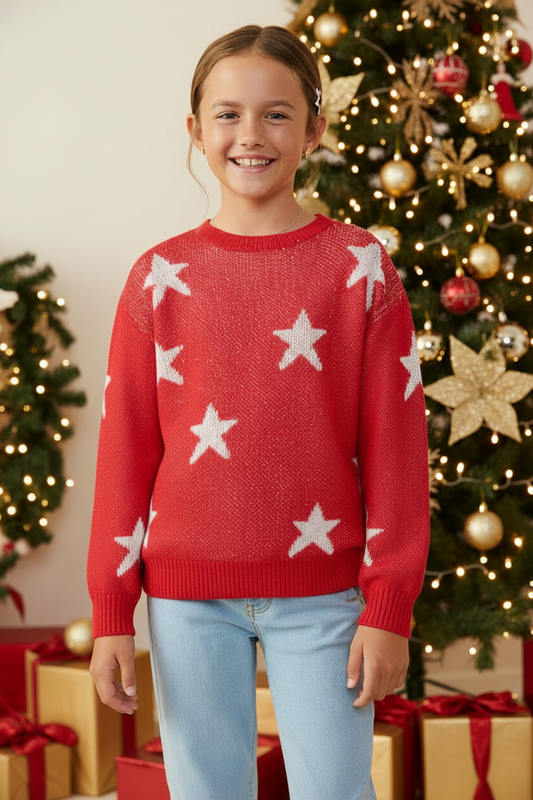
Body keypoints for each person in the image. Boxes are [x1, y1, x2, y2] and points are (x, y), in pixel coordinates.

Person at [87, 24, 430, 800]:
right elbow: (126, 452)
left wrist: (388, 606)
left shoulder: (360, 269)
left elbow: (396, 450)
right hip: (184, 600)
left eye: (276, 114)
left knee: (334, 790)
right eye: (228, 114)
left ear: (315, 126)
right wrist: (112, 609)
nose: (251, 135)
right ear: (195, 130)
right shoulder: (158, 277)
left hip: (324, 595)